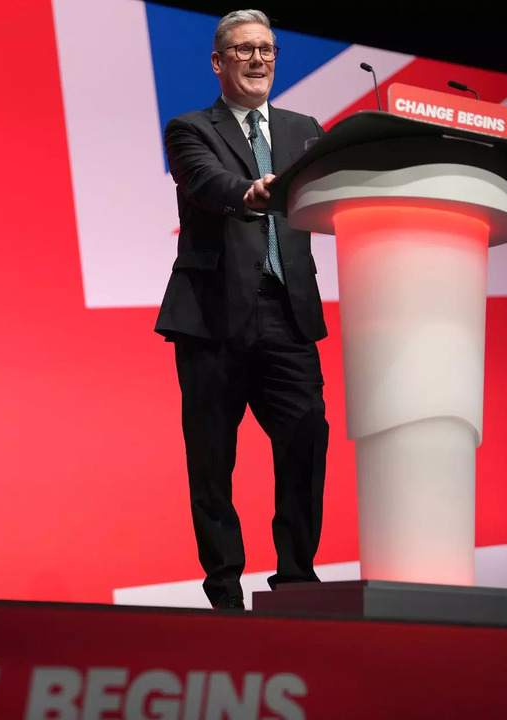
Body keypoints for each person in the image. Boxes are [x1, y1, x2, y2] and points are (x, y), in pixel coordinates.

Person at [155, 9, 329, 610]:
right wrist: (249, 192)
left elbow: (329, 194)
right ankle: (225, 590)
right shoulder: (189, 127)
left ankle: (297, 580)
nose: (259, 60)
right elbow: (203, 182)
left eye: (267, 50)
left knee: (307, 437)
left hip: (288, 314)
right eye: (244, 50)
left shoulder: (305, 127)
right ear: (218, 61)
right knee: (212, 460)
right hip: (212, 318)